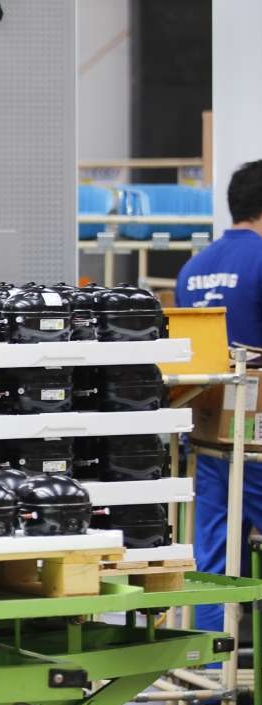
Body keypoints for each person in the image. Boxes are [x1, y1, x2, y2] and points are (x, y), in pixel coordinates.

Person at [176, 158, 262, 636]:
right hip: (258, 434)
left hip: (210, 433)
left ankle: (212, 667)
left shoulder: (194, 268)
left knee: (214, 554)